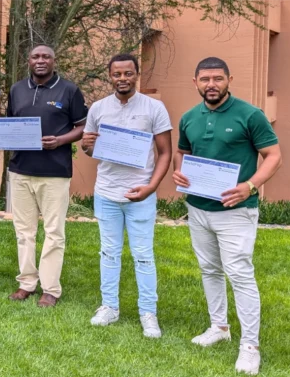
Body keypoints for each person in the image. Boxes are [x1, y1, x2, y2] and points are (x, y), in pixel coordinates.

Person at [173, 57, 281, 375]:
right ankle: (219, 327)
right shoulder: (190, 117)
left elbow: (273, 155)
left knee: (240, 276)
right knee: (209, 269)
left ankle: (250, 347)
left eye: (218, 78)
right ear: (195, 82)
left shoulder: (250, 114)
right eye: (205, 79)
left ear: (229, 80)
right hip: (198, 208)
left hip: (236, 211)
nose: (211, 85)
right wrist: (180, 172)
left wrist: (250, 185)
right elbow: (184, 152)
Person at [81, 54, 172, 338]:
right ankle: (110, 306)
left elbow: (165, 152)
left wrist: (151, 187)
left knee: (143, 255)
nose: (123, 79)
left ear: (136, 75)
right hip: (106, 190)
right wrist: (85, 146)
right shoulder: (98, 108)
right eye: (117, 74)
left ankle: (148, 312)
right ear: (110, 76)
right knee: (108, 253)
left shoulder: (154, 108)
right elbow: (90, 148)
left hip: (140, 192)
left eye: (128, 73)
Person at [5, 44, 87, 307]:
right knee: (23, 231)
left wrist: (61, 140)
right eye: (35, 57)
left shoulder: (69, 90)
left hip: (54, 172)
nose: (40, 61)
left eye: (46, 57)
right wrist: (0, 136)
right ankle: (27, 282)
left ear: (54, 61)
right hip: (20, 171)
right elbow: (10, 124)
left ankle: (50, 288)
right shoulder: (17, 89)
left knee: (54, 232)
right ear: (28, 61)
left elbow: (83, 127)